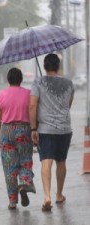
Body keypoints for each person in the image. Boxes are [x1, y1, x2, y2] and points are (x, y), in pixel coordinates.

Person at [29, 53, 74, 212]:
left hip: (45, 130)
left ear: (45, 66)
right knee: (61, 161)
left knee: (46, 161)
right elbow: (68, 105)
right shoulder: (69, 83)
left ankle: (47, 196)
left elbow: (33, 106)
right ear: (58, 66)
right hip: (64, 128)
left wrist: (33, 128)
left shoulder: (38, 82)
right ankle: (59, 195)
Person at [0, 67, 36, 210]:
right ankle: (23, 183)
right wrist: (35, 130)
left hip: (6, 131)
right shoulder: (29, 94)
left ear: (8, 80)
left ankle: (12, 201)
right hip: (24, 130)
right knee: (25, 161)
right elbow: (33, 113)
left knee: (9, 167)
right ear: (21, 79)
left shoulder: (0, 95)